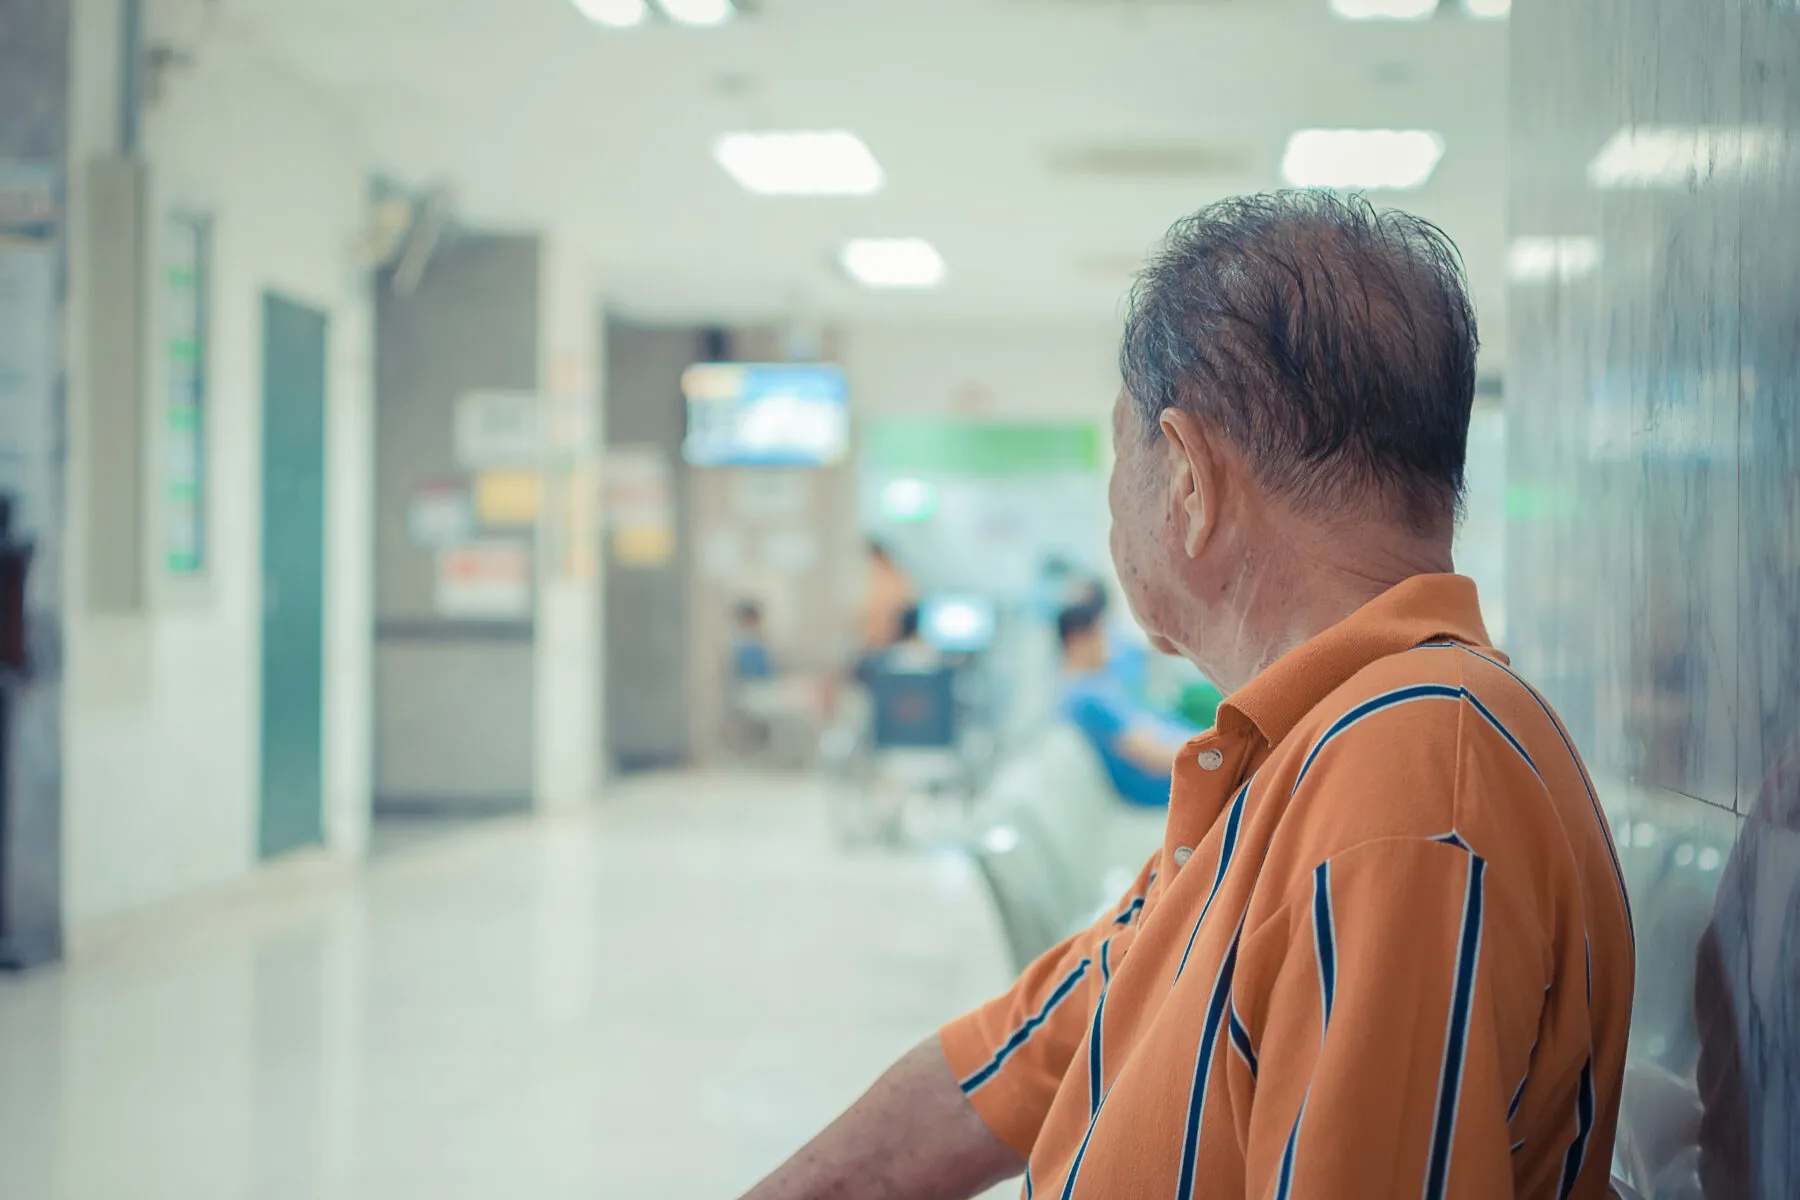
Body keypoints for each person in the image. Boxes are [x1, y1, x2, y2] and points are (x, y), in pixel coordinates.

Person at [738, 191, 1634, 1200]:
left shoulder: (1411, 783)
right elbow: (1023, 1052)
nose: (1114, 507)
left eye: (1125, 454)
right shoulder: (1293, 755)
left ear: (1192, 482)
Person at [1057, 602, 1195, 808]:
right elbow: (1149, 755)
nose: (1109, 646)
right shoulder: (1086, 699)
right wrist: (1213, 754)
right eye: (1101, 636)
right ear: (1078, 642)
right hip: (1168, 786)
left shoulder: (1097, 684)